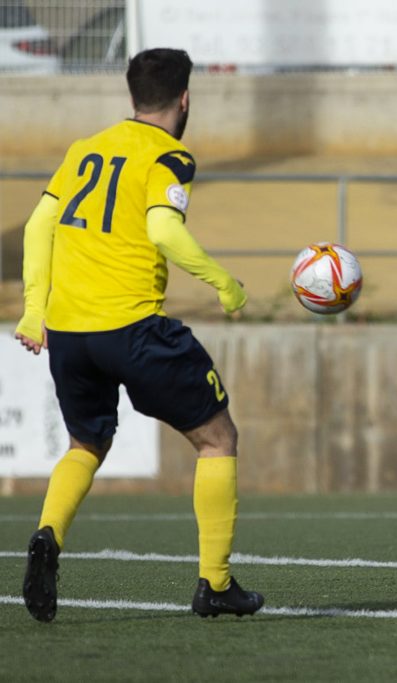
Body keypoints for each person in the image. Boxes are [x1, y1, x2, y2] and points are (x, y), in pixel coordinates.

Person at [14, 48, 264, 621]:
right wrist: (225, 284)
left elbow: (38, 225)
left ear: (132, 96)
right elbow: (163, 229)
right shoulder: (169, 154)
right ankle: (215, 584)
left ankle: (48, 534)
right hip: (132, 327)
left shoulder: (84, 149)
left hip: (69, 332)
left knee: (85, 445)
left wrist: (33, 311)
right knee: (218, 438)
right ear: (184, 99)